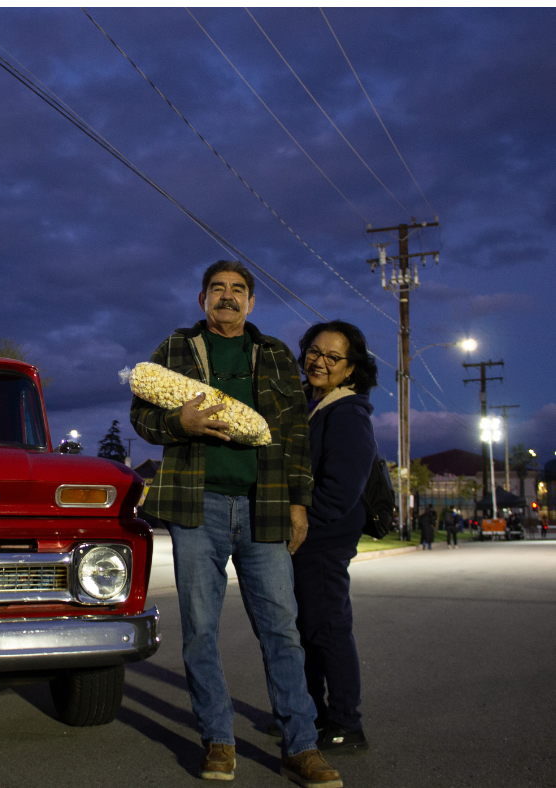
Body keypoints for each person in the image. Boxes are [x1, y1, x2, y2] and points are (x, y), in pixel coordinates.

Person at [131, 260, 341, 786]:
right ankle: (219, 740)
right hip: (196, 507)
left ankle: (302, 746)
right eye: (218, 289)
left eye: (238, 290)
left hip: (263, 506)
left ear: (252, 302)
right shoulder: (175, 349)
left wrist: (298, 503)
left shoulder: (271, 355)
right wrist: (177, 422)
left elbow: (293, 434)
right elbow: (140, 417)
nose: (228, 297)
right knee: (201, 632)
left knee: (281, 632)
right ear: (202, 298)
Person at [293, 320, 377, 755]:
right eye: (313, 351)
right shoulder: (315, 404)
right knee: (308, 630)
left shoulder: (347, 412)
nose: (319, 361)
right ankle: (312, 715)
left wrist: (305, 524)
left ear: (351, 369)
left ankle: (347, 723)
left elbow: (341, 489)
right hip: (307, 540)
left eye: (332, 357)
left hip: (323, 540)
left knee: (328, 629)